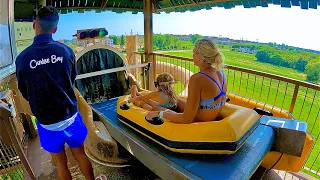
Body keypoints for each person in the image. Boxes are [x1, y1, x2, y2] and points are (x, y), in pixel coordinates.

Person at [15, 6, 105, 180]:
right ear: (55, 29)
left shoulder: (23, 58)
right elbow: (71, 80)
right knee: (80, 155)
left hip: (46, 122)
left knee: (60, 163)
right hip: (69, 116)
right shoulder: (65, 51)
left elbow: (24, 90)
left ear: (34, 25)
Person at [146, 39, 227, 123]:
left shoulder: (197, 78)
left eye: (194, 52)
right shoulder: (221, 73)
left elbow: (186, 119)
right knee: (175, 100)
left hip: (200, 121)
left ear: (200, 56)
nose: (192, 55)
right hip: (212, 116)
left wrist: (160, 113)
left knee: (155, 109)